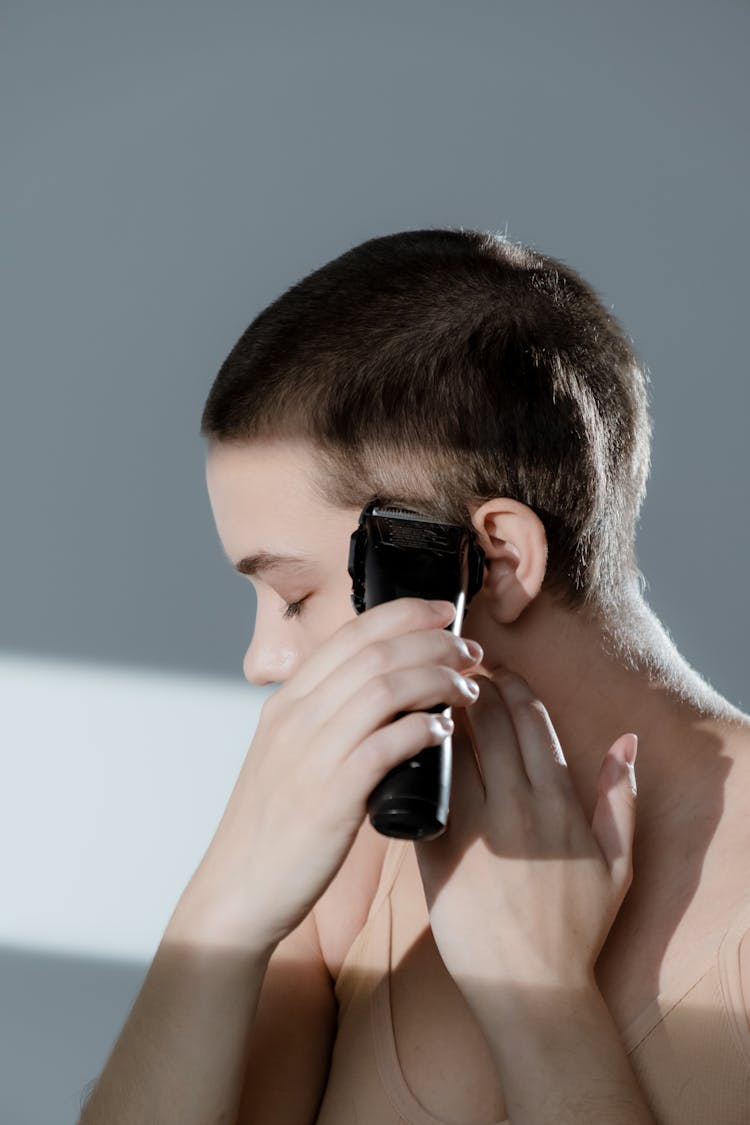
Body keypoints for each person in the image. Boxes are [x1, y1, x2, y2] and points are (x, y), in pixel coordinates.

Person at [79, 229, 750, 1125]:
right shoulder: (363, 846)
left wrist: (541, 1005)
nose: (262, 661)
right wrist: (224, 906)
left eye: (295, 593)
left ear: (496, 560)